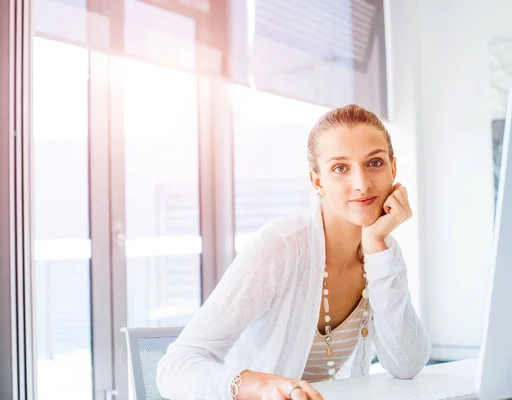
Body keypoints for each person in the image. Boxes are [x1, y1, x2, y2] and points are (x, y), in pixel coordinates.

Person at [156, 105, 431, 400]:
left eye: (374, 163)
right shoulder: (280, 248)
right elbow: (174, 368)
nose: (362, 183)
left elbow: (407, 363)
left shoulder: (382, 253)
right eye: (340, 168)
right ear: (317, 181)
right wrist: (262, 387)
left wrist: (377, 244)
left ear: (393, 169)